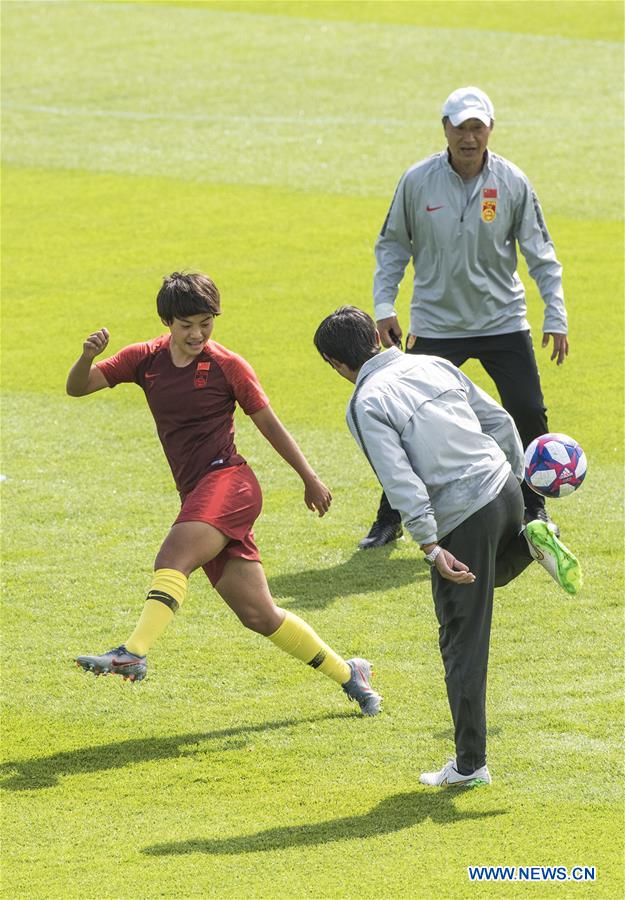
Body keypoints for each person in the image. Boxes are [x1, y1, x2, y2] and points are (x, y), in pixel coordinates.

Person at [67, 272, 381, 716]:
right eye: (186, 325)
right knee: (260, 615)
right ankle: (351, 675)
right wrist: (86, 357)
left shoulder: (227, 365)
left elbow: (268, 423)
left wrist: (309, 477)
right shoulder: (144, 359)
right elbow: (78, 387)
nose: (197, 334)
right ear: (167, 322)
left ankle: (133, 651)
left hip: (229, 484)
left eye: (206, 323)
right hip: (199, 494)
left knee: (173, 557)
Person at [314, 306, 581, 786]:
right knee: (485, 577)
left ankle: (470, 765)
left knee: (462, 641)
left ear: (336, 364)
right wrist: (527, 497)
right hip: (502, 488)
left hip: (464, 515)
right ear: (374, 339)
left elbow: (400, 482)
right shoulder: (432, 362)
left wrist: (431, 547)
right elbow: (499, 421)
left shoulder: (365, 401)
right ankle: (530, 538)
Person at [360, 85, 569, 549]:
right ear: (445, 128)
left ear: (490, 129)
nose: (469, 137)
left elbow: (541, 253)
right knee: (408, 419)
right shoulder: (417, 181)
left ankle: (534, 507)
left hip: (503, 321)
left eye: (477, 126)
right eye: (460, 126)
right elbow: (393, 244)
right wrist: (383, 306)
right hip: (436, 324)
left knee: (528, 411)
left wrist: (555, 313)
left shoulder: (512, 181)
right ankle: (388, 518)